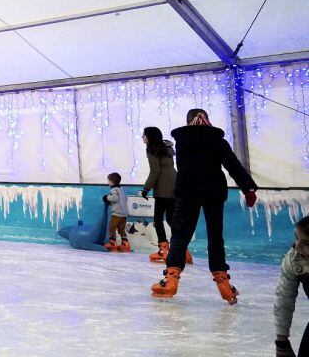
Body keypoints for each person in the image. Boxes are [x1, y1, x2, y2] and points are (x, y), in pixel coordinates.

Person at [152, 108, 258, 303]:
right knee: (215, 235)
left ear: (188, 121)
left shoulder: (182, 141)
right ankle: (224, 283)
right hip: (213, 191)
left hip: (187, 190)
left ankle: (171, 279)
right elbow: (232, 164)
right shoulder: (217, 141)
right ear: (207, 120)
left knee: (180, 235)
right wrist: (248, 188)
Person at [141, 126, 182, 263]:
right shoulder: (166, 148)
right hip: (174, 185)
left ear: (150, 137)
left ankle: (163, 250)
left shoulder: (152, 150)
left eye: (144, 135)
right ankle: (182, 248)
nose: (142, 137)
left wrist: (145, 189)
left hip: (163, 188)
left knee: (158, 219)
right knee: (171, 218)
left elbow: (155, 172)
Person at [274, 216, 309, 357]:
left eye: (306, 243)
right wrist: (281, 342)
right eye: (296, 238)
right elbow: (284, 298)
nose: (297, 246)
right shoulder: (294, 258)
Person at [103, 172, 131, 252]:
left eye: (108, 180)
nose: (108, 182)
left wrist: (106, 197)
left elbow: (115, 198)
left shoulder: (113, 189)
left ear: (112, 182)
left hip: (117, 213)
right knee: (121, 229)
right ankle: (125, 244)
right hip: (124, 213)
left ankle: (112, 243)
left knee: (112, 227)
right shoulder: (121, 189)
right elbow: (125, 199)